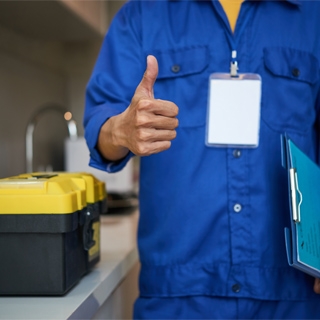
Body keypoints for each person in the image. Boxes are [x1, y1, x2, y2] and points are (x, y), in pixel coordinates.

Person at [84, 0, 320, 318]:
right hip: (176, 296)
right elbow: (100, 117)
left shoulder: (313, 15)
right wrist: (122, 130)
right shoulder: (143, 14)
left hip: (294, 293)